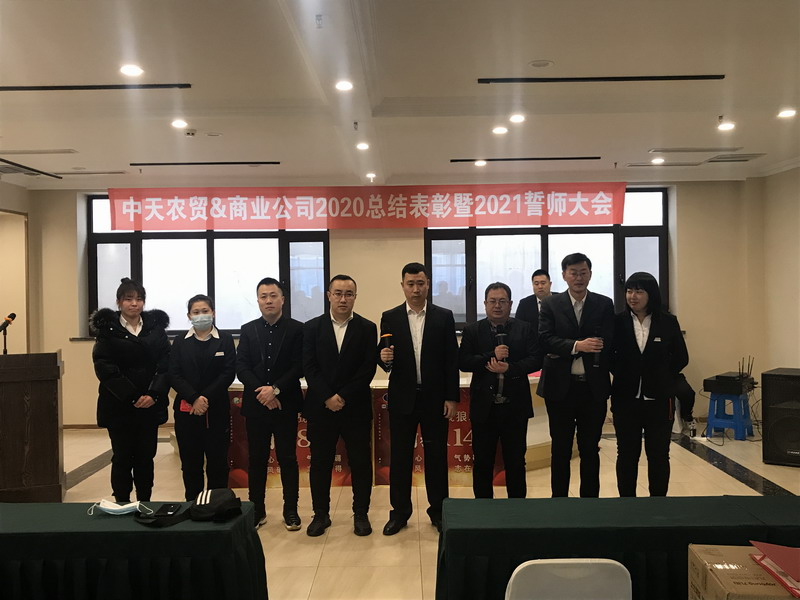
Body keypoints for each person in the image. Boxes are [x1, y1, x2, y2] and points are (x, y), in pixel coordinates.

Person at [378, 262, 459, 535]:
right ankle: (399, 513)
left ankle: (439, 512)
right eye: (410, 284)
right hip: (402, 399)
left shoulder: (443, 316)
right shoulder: (390, 316)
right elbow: (384, 356)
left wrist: (451, 397)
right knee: (400, 458)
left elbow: (451, 359)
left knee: (436, 458)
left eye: (420, 283)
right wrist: (382, 357)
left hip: (435, 399)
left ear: (428, 285)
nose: (415, 289)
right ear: (402, 285)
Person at [303, 274, 378, 537]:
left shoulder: (367, 328)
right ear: (329, 296)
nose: (343, 299)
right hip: (321, 407)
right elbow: (309, 366)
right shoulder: (311, 328)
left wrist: (342, 396)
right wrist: (327, 396)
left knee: (360, 463)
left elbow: (367, 368)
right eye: (338, 293)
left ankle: (361, 514)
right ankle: (320, 514)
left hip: (355, 407)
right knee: (320, 463)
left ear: (355, 297)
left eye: (348, 294)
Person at [537, 253, 614, 498]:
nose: (578, 278)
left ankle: (589, 503)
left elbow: (608, 341)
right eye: (573, 273)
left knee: (590, 448)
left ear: (590, 274)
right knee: (560, 449)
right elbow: (545, 339)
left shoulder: (604, 304)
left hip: (593, 388)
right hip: (560, 388)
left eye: (583, 272)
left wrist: (563, 347)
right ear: (564, 275)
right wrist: (577, 346)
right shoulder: (551, 304)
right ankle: (559, 502)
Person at [90, 277, 170, 503]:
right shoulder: (108, 330)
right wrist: (133, 396)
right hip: (119, 405)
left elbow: (166, 364)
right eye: (128, 299)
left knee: (146, 457)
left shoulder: (155, 329)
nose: (134, 303)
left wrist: (153, 394)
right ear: (119, 302)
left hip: (150, 405)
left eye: (139, 299)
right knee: (122, 456)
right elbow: (105, 367)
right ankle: (122, 502)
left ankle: (145, 501)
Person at [459, 282, 541, 498]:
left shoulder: (525, 328)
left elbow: (536, 359)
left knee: (516, 461)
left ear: (510, 304)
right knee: (482, 461)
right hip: (484, 408)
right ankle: (484, 508)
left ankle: (516, 508)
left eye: (502, 301)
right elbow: (464, 361)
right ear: (485, 304)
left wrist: (510, 368)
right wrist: (491, 356)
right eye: (493, 301)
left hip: (515, 407)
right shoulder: (472, 330)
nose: (497, 306)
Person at [611, 272, 689, 496]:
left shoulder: (668, 322)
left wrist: (660, 374)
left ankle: (657, 503)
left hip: (659, 399)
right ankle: (627, 503)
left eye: (639, 291)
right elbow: (609, 357)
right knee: (627, 454)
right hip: (626, 399)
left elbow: (681, 358)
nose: (632, 296)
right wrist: (626, 373)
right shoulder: (617, 322)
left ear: (651, 294)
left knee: (658, 454)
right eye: (629, 291)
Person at [237, 277, 304, 530]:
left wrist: (275, 390)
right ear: (257, 300)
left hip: (285, 404)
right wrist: (263, 393)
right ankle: (257, 510)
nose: (268, 300)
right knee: (257, 459)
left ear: (282, 299)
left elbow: (299, 366)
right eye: (263, 296)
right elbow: (241, 366)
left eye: (273, 295)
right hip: (256, 406)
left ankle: (291, 510)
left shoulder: (297, 329)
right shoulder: (248, 329)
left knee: (288, 458)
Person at [169, 294, 236, 500]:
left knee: (218, 463)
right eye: (196, 312)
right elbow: (174, 374)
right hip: (187, 411)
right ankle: (193, 505)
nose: (201, 315)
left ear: (213, 313)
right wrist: (194, 398)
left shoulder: (225, 339)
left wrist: (204, 398)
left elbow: (228, 373)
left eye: (205, 311)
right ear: (189, 316)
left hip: (216, 410)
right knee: (191, 464)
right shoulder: (180, 341)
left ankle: (217, 505)